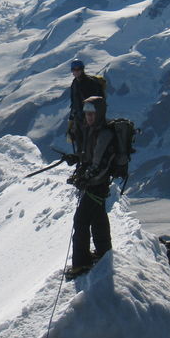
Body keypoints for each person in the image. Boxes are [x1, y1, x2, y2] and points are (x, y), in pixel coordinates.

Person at [66, 96, 114, 278]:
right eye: (87, 114)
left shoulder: (103, 134)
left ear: (99, 113)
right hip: (98, 185)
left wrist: (85, 178)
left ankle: (81, 265)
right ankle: (104, 252)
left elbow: (100, 163)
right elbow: (89, 157)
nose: (89, 117)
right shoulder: (93, 131)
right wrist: (77, 158)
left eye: (92, 114)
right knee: (98, 218)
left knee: (81, 221)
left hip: (96, 185)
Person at [67, 59, 105, 151]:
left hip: (89, 120)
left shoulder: (90, 83)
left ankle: (86, 163)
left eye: (78, 69)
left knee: (88, 145)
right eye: (74, 69)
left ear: (82, 69)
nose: (76, 71)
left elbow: (95, 102)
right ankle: (82, 162)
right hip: (79, 119)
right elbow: (74, 103)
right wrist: (71, 120)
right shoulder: (75, 83)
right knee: (80, 144)